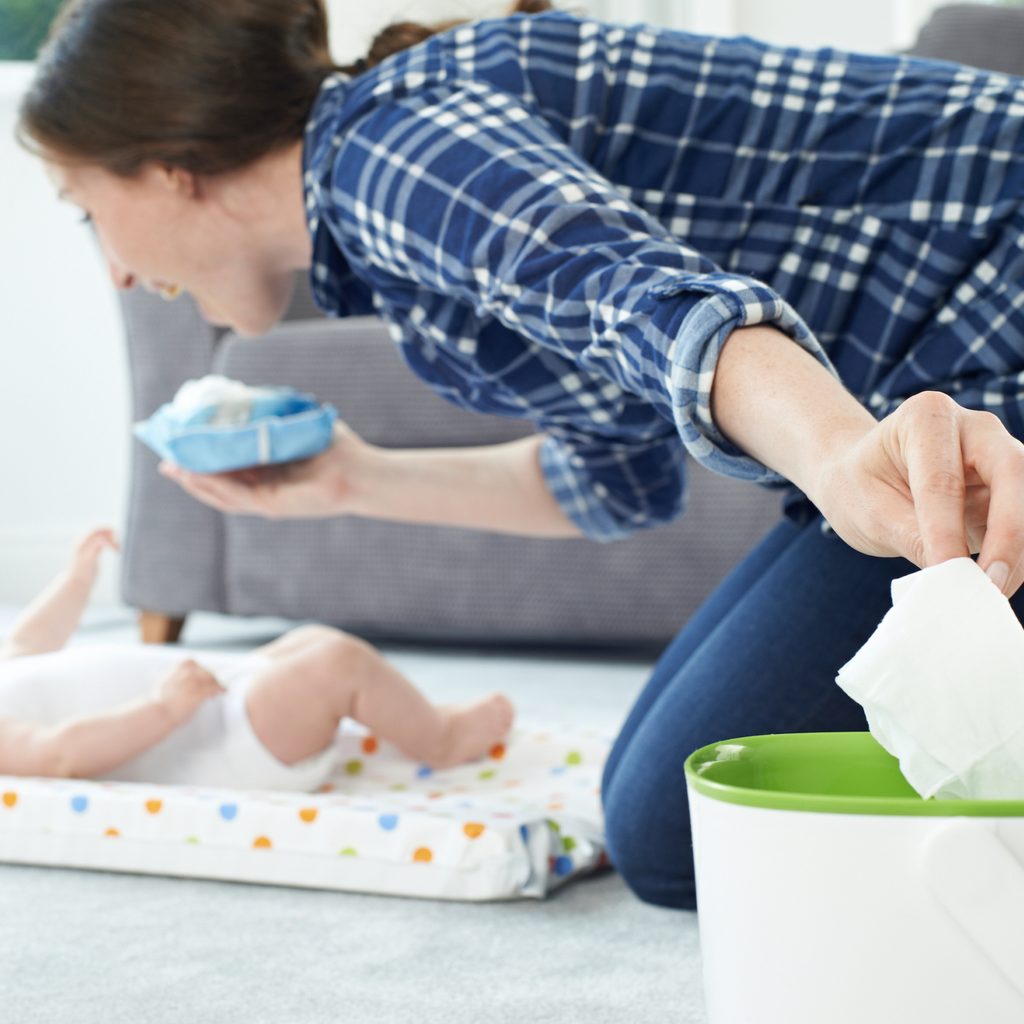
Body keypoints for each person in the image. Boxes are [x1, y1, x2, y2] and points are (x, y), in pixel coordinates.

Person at [17, 0, 1024, 906]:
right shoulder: (392, 227)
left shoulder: (385, 154)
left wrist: (841, 457)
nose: (115, 270)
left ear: (171, 165)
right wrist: (350, 478)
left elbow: (638, 297)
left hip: (990, 337)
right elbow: (617, 481)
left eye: (87, 208)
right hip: (935, 375)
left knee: (678, 836)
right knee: (667, 793)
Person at [0, 527, 514, 787]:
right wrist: (163, 709)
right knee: (337, 663)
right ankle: (441, 739)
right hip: (227, 740)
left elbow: (31, 638)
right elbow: (59, 755)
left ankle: (412, 716)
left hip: (219, 691)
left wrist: (76, 580)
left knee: (311, 640)